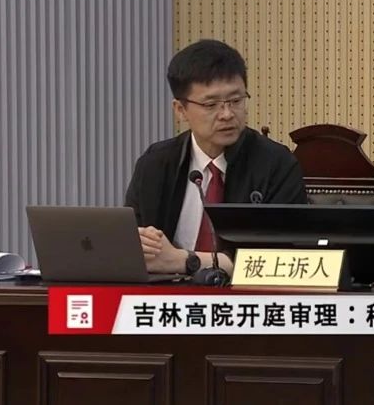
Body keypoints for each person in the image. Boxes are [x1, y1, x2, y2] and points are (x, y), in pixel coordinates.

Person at [124, 39, 308, 276]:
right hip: (168, 293)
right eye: (211, 105)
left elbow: (284, 261)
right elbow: (130, 244)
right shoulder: (155, 164)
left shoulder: (277, 165)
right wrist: (143, 245)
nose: (227, 114)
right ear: (180, 110)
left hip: (246, 295)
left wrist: (185, 261)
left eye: (236, 101)